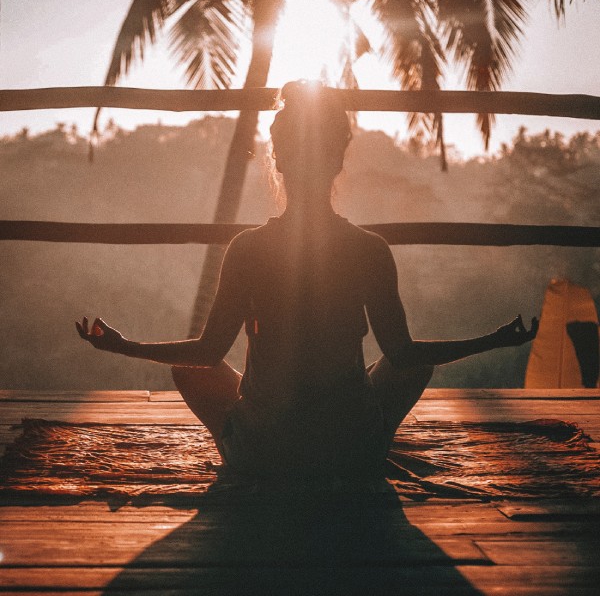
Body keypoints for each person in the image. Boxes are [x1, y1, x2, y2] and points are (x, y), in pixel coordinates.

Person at [77, 80, 538, 479]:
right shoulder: (369, 249)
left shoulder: (248, 248)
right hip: (350, 451)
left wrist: (123, 345)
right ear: (338, 161)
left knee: (189, 369)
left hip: (263, 454)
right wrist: (494, 340)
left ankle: (245, 446)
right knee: (414, 364)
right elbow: (403, 354)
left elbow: (207, 353)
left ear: (278, 161)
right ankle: (370, 442)